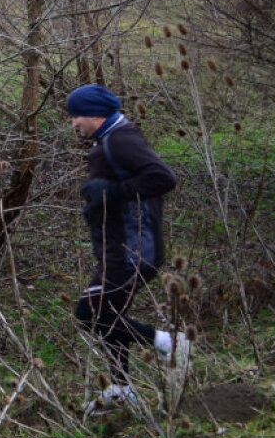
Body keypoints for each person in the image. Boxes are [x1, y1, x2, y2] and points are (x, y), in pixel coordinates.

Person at [68, 84, 189, 414]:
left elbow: (163, 178)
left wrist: (112, 191)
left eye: (76, 115)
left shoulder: (121, 139)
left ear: (95, 113)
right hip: (120, 250)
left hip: (132, 251)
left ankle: (170, 343)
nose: (73, 122)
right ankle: (121, 390)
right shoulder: (110, 139)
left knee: (89, 313)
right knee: (108, 316)